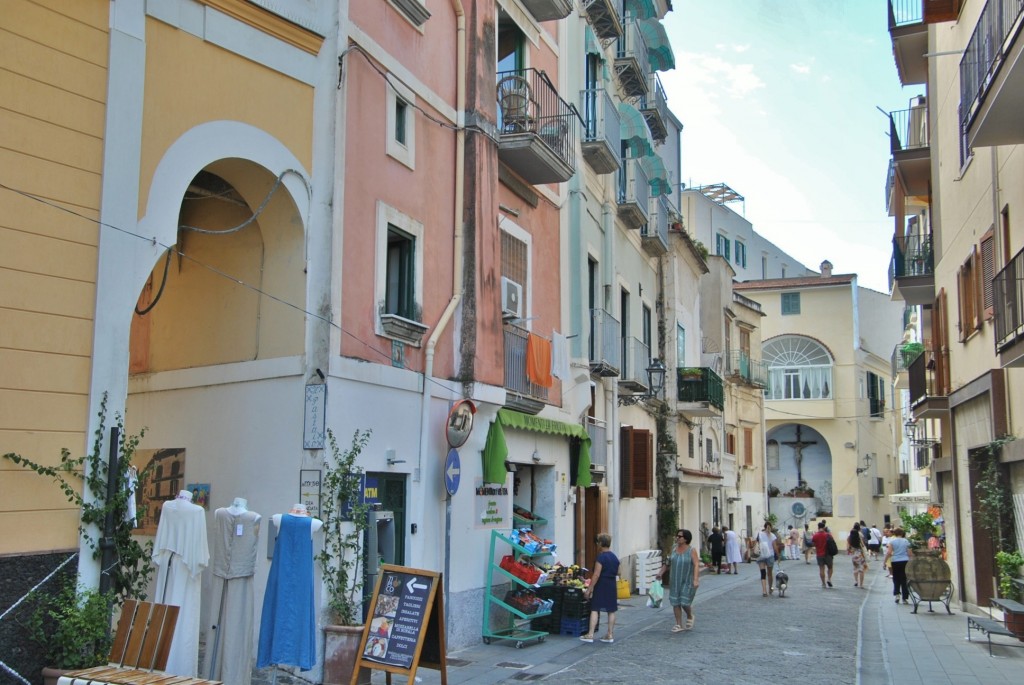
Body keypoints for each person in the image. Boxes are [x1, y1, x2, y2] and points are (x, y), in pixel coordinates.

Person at [656, 529, 700, 632]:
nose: (677, 538)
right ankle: (678, 624)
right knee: (675, 602)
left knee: (684, 602)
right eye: (677, 536)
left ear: (686, 539)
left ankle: (690, 615)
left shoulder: (691, 550)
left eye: (680, 536)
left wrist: (696, 579)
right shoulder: (673, 549)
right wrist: (660, 573)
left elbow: (696, 564)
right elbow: (667, 563)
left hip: (687, 580)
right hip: (675, 580)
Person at [581, 533, 619, 643]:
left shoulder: (601, 557)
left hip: (602, 584)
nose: (597, 544)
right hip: (611, 584)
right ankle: (610, 634)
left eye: (598, 542)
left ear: (601, 543)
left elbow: (596, 574)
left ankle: (590, 634)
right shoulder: (614, 557)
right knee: (611, 610)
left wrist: (589, 589)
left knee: (595, 608)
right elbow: (618, 571)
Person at [885, 527, 913, 604]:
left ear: (895, 533)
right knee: (904, 579)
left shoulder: (892, 541)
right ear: (902, 533)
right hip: (904, 561)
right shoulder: (906, 541)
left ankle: (897, 594)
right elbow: (909, 553)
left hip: (895, 561)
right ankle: (905, 598)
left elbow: (889, 552)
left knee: (896, 578)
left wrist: (884, 562)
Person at [755, 522, 779, 596]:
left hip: (761, 555)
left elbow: (757, 543)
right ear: (771, 527)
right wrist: (778, 555)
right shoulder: (773, 536)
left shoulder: (760, 534)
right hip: (770, 556)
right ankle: (770, 588)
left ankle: (764, 591)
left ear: (764, 527)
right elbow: (775, 547)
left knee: (763, 573)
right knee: (769, 573)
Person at [811, 520, 835, 588]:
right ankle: (829, 579)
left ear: (818, 527)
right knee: (830, 567)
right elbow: (832, 543)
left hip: (819, 554)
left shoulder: (815, 535)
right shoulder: (828, 535)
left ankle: (823, 583)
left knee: (821, 569)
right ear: (824, 527)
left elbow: (813, 544)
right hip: (828, 554)